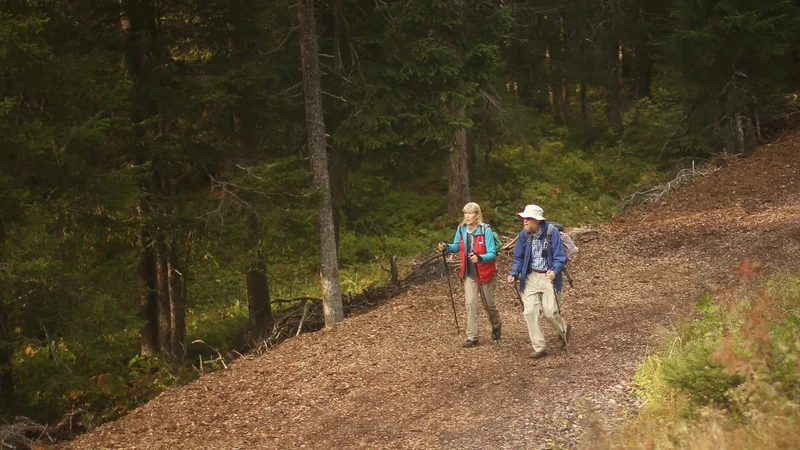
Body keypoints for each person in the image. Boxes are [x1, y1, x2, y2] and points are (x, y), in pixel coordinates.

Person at [507, 204, 572, 359]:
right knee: (529, 311)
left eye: (528, 219)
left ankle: (564, 328)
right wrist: (514, 274)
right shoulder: (524, 235)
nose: (525, 221)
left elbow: (560, 257)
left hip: (548, 276)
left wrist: (554, 270)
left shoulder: (552, 232)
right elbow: (519, 258)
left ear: (537, 221)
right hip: (530, 277)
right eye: (524, 218)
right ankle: (539, 347)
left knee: (550, 312)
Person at [437, 202, 501, 347]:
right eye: (465, 213)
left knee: (488, 304)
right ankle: (472, 336)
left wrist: (480, 258)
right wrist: (446, 247)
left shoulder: (486, 230)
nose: (467, 215)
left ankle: (496, 324)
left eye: (471, 213)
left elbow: (492, 253)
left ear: (477, 215)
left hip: (485, 272)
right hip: (469, 272)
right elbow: (456, 246)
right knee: (470, 303)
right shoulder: (461, 229)